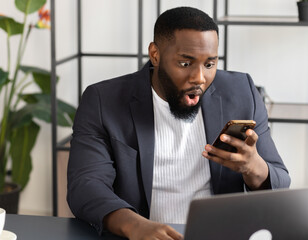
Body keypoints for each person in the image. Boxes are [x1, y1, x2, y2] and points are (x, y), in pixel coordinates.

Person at [67, 6, 291, 240]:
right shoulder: (104, 100)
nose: (199, 78)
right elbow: (85, 185)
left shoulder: (242, 91)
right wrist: (135, 226)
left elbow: (280, 182)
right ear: (155, 54)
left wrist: (252, 166)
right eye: (185, 64)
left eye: (209, 64)